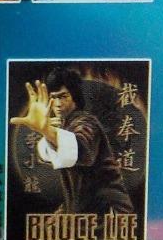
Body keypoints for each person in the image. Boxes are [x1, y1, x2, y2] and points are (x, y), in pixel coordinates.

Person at [9, 68, 133, 216]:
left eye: (63, 96)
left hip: (111, 212)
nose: (57, 103)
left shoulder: (86, 121)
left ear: (75, 96)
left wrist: (47, 131)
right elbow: (50, 155)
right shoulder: (65, 125)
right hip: (86, 211)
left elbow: (82, 150)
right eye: (53, 97)